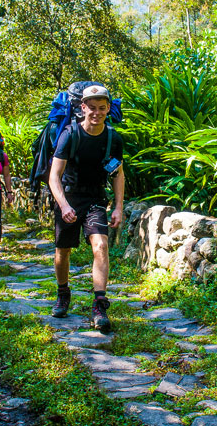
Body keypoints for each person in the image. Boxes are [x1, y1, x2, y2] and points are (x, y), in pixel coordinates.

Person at [49, 85, 124, 334]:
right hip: (69, 197)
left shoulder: (113, 138)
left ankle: (99, 305)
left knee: (101, 246)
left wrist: (118, 206)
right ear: (83, 108)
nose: (97, 112)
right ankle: (63, 293)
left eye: (102, 108)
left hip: (95, 198)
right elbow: (54, 176)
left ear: (107, 109)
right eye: (92, 107)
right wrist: (64, 205)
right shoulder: (69, 135)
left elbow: (118, 173)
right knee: (63, 251)